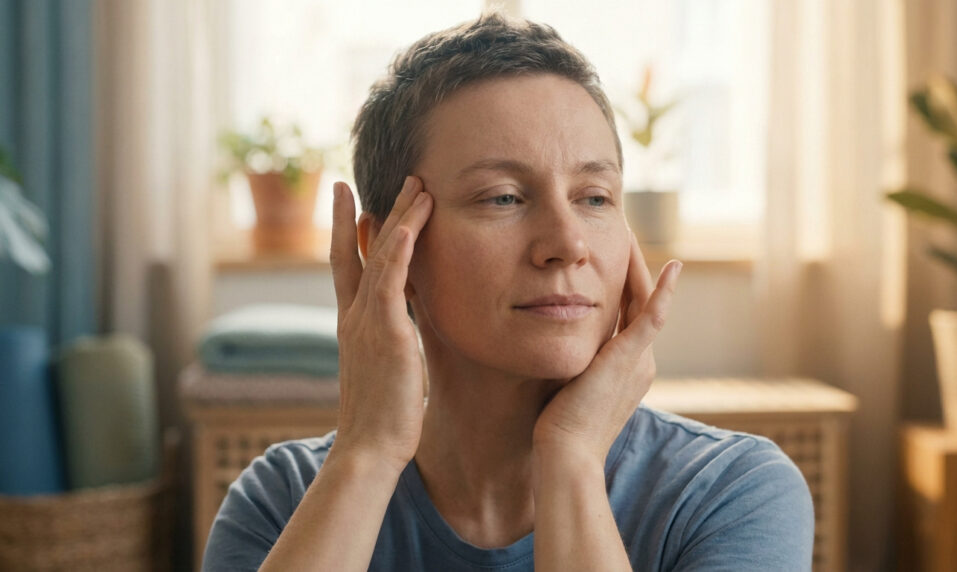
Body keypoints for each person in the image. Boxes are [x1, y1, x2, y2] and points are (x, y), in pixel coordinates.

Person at [202, 12, 814, 572]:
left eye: (594, 197)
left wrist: (571, 461)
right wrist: (367, 454)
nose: (568, 243)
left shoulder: (733, 492)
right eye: (503, 197)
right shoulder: (281, 502)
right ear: (390, 249)